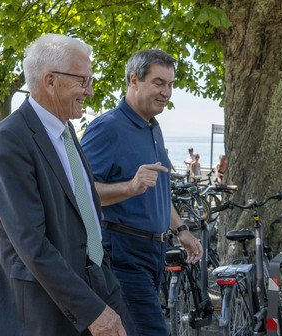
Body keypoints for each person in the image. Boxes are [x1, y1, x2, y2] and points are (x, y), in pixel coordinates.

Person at [0, 33, 126, 336]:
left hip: (97, 280)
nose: (89, 92)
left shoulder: (67, 129)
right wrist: (91, 310)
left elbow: (82, 205)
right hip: (47, 307)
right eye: (83, 81)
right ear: (50, 81)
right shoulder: (11, 138)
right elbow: (31, 244)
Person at [80, 48, 203, 335]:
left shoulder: (153, 127)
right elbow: (77, 193)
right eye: (159, 83)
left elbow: (159, 189)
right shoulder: (106, 128)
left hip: (155, 253)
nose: (167, 92)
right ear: (134, 80)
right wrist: (130, 187)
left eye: (171, 84)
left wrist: (181, 229)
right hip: (123, 253)